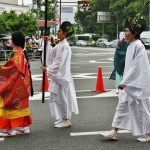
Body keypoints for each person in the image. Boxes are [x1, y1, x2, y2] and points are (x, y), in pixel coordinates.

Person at [100, 14, 150, 142]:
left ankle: (148, 134)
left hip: (137, 85)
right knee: (121, 106)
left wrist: (124, 82)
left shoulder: (138, 46)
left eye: (127, 31)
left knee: (142, 109)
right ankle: (114, 131)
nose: (125, 33)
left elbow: (136, 68)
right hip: (129, 84)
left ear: (134, 32)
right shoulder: (131, 45)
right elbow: (130, 67)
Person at [42, 21, 79, 128]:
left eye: (60, 31)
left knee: (62, 98)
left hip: (61, 77)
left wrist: (48, 69)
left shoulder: (64, 46)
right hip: (58, 77)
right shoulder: (60, 45)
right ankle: (62, 118)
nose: (58, 33)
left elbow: (58, 63)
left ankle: (66, 119)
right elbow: (51, 55)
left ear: (65, 33)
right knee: (55, 98)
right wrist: (47, 43)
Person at [0, 31, 33, 137]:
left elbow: (12, 69)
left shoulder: (18, 54)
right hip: (23, 85)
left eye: (10, 38)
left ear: (15, 41)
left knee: (7, 103)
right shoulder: (20, 53)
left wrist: (1, 69)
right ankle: (24, 127)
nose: (8, 40)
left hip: (17, 85)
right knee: (21, 105)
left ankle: (8, 129)